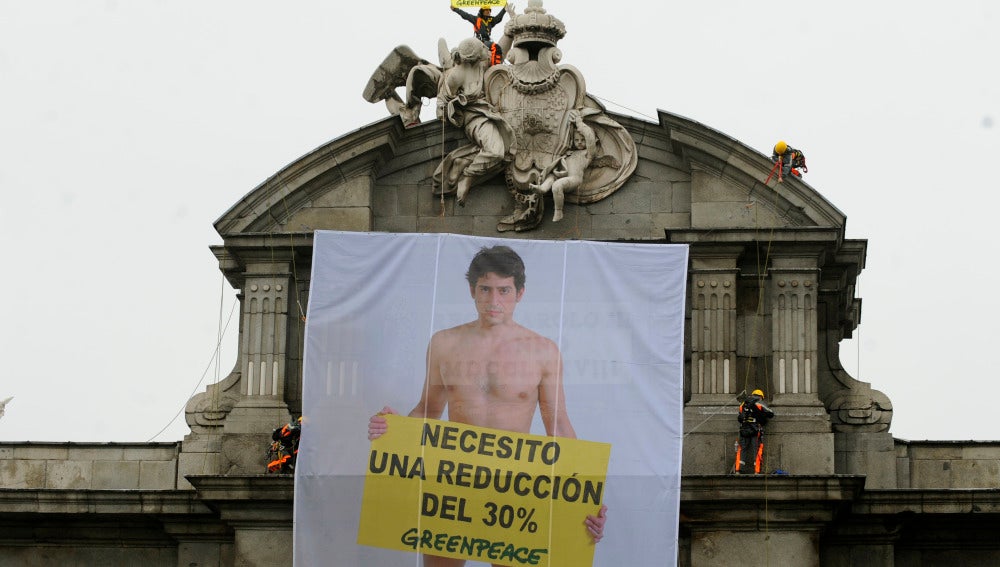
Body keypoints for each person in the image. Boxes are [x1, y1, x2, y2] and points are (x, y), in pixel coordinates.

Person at [368, 245, 607, 567]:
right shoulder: (444, 343)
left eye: (504, 291)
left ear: (520, 293)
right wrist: (395, 430)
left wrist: (584, 499)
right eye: (486, 289)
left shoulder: (543, 351)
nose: (494, 301)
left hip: (514, 484)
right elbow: (427, 410)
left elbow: (558, 426)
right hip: (452, 479)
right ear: (472, 290)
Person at [529, 111, 596, 222]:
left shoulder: (587, 154)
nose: (579, 142)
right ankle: (543, 188)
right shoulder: (569, 153)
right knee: (551, 176)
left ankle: (558, 211)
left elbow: (590, 138)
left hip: (574, 178)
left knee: (557, 185)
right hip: (563, 175)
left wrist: (579, 124)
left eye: (582, 140)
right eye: (577, 140)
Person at [735, 389, 775, 474]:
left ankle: (738, 469)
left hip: (744, 429)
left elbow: (740, 415)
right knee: (757, 449)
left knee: (741, 449)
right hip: (755, 429)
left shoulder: (743, 404)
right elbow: (771, 413)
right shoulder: (759, 403)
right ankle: (757, 471)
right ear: (761, 397)